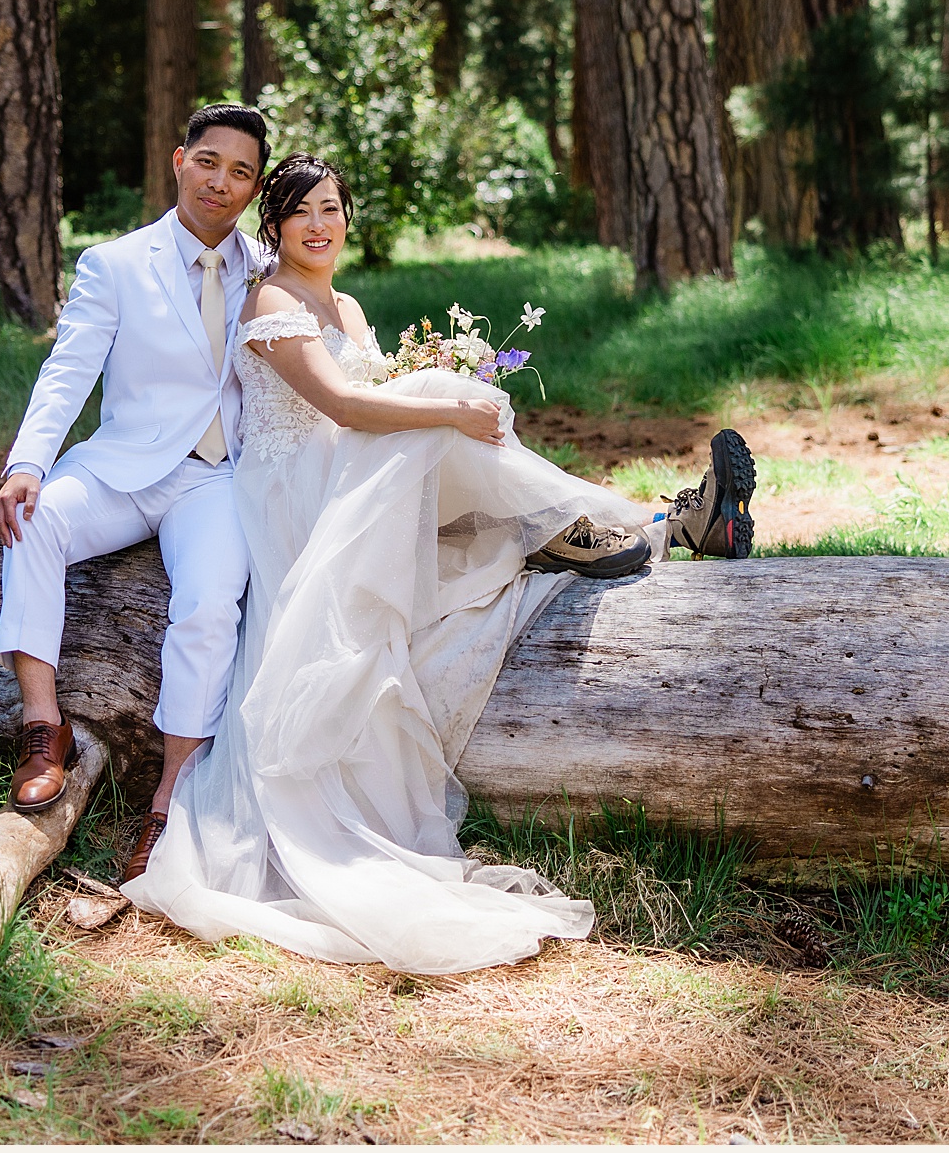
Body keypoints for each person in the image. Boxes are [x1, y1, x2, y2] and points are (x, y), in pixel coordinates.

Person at [122, 153, 757, 973]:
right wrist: (449, 402)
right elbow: (345, 406)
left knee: (443, 410)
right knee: (435, 405)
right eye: (302, 212)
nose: (321, 225)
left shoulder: (345, 303)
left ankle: (641, 524)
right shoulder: (271, 298)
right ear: (273, 226)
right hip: (294, 491)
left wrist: (449, 399)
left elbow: (370, 404)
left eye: (333, 209)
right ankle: (626, 525)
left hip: (346, 473)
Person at [0, 104, 272, 881]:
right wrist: (28, 463)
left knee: (212, 603)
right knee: (36, 523)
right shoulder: (115, 264)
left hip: (216, 480)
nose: (222, 181)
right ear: (180, 160)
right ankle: (43, 729)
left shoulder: (266, 269)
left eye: (241, 171)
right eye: (209, 161)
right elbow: (68, 371)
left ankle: (170, 802)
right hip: (121, 468)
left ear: (253, 188)